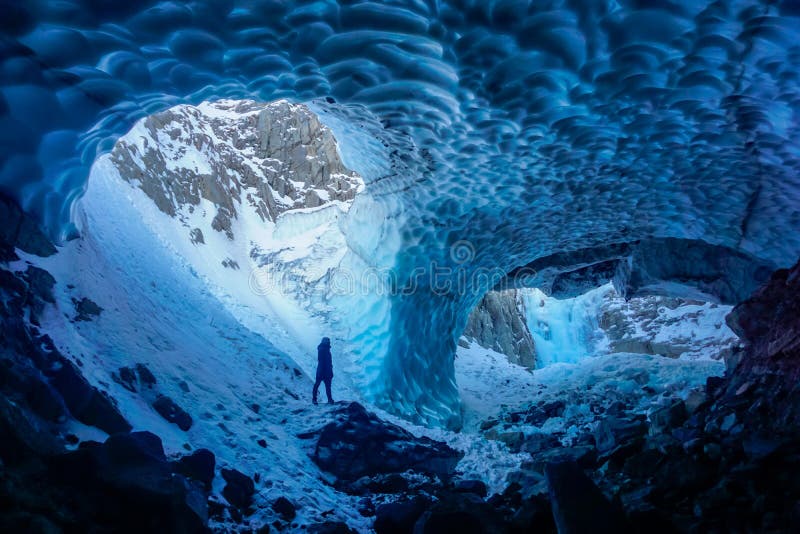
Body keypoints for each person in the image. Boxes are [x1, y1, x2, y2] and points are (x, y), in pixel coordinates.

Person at [313, 337, 334, 405]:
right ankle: (315, 399)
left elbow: (328, 363)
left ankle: (328, 399)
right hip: (323, 371)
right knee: (323, 385)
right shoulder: (323, 349)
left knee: (321, 385)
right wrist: (327, 372)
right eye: (328, 341)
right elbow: (322, 361)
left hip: (324, 371)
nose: (329, 342)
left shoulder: (325, 349)